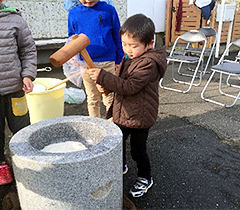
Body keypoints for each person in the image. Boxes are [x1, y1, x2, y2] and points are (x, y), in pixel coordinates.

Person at [89, 14, 167, 197]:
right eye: (124, 44)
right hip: (124, 112)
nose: (128, 49)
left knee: (138, 151)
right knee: (118, 142)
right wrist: (107, 85)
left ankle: (145, 178)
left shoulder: (148, 63)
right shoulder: (130, 58)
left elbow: (130, 86)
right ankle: (120, 165)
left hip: (140, 116)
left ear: (149, 44)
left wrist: (103, 77)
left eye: (133, 46)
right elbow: (121, 82)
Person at [0, 0, 37, 185]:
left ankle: (25, 161)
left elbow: (28, 49)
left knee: (22, 127)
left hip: (15, 88)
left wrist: (27, 75)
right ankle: (0, 162)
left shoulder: (14, 18)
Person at [68, 0, 124, 118]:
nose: (88, 0)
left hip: (108, 62)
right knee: (93, 98)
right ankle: (96, 126)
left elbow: (117, 35)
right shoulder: (73, 13)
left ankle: (113, 125)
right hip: (86, 64)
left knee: (109, 96)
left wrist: (119, 59)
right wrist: (73, 55)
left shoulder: (108, 10)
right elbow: (71, 38)